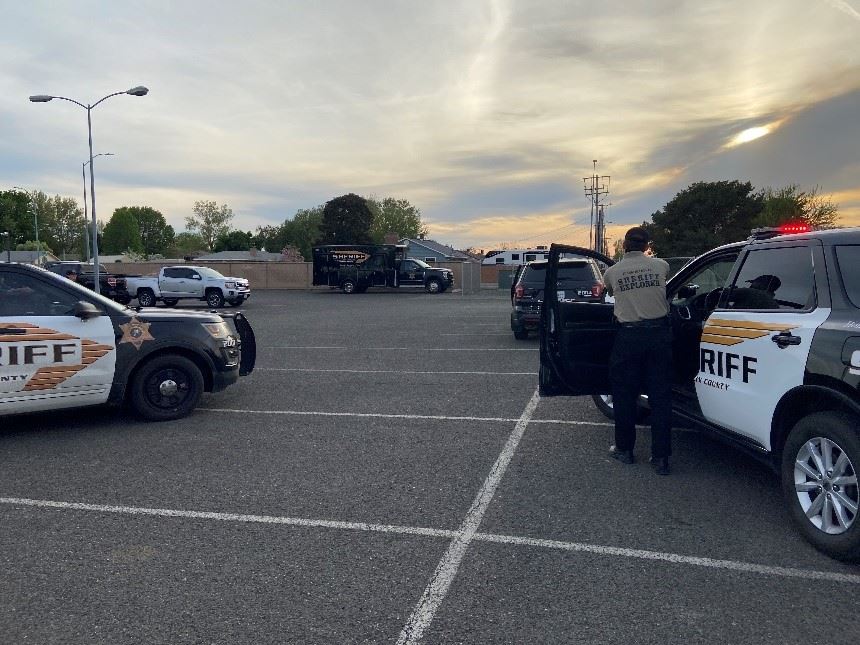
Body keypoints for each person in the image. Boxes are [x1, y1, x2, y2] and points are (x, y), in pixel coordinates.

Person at [602, 227, 673, 475]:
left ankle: (625, 450)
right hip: (659, 337)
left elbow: (609, 292)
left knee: (624, 395)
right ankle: (661, 458)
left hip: (629, 337)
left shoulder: (612, 272)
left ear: (624, 245)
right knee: (660, 397)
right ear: (646, 246)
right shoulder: (661, 266)